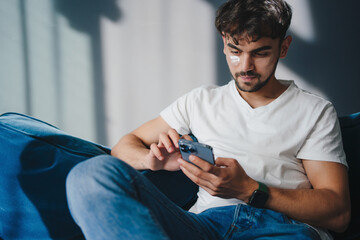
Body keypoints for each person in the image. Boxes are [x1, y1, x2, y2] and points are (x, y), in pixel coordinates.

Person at [66, 0, 351, 239]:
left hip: (277, 229)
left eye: (260, 53)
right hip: (205, 226)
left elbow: (338, 213)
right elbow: (125, 145)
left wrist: (249, 189)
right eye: (235, 52)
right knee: (90, 175)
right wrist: (151, 160)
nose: (246, 66)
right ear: (224, 45)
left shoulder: (314, 111)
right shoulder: (200, 100)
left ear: (283, 47)